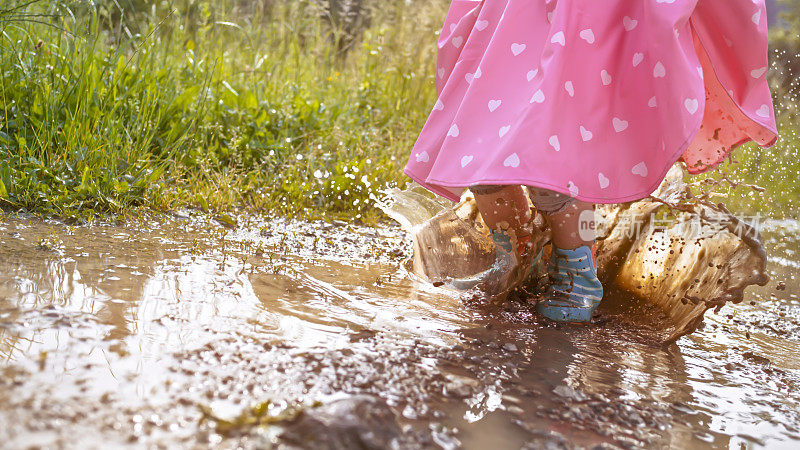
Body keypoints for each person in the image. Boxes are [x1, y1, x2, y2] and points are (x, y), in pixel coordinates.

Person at [404, 0, 779, 322]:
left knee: (551, 142)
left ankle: (576, 276)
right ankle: (516, 257)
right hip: (514, 14)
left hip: (586, 15)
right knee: (478, 132)